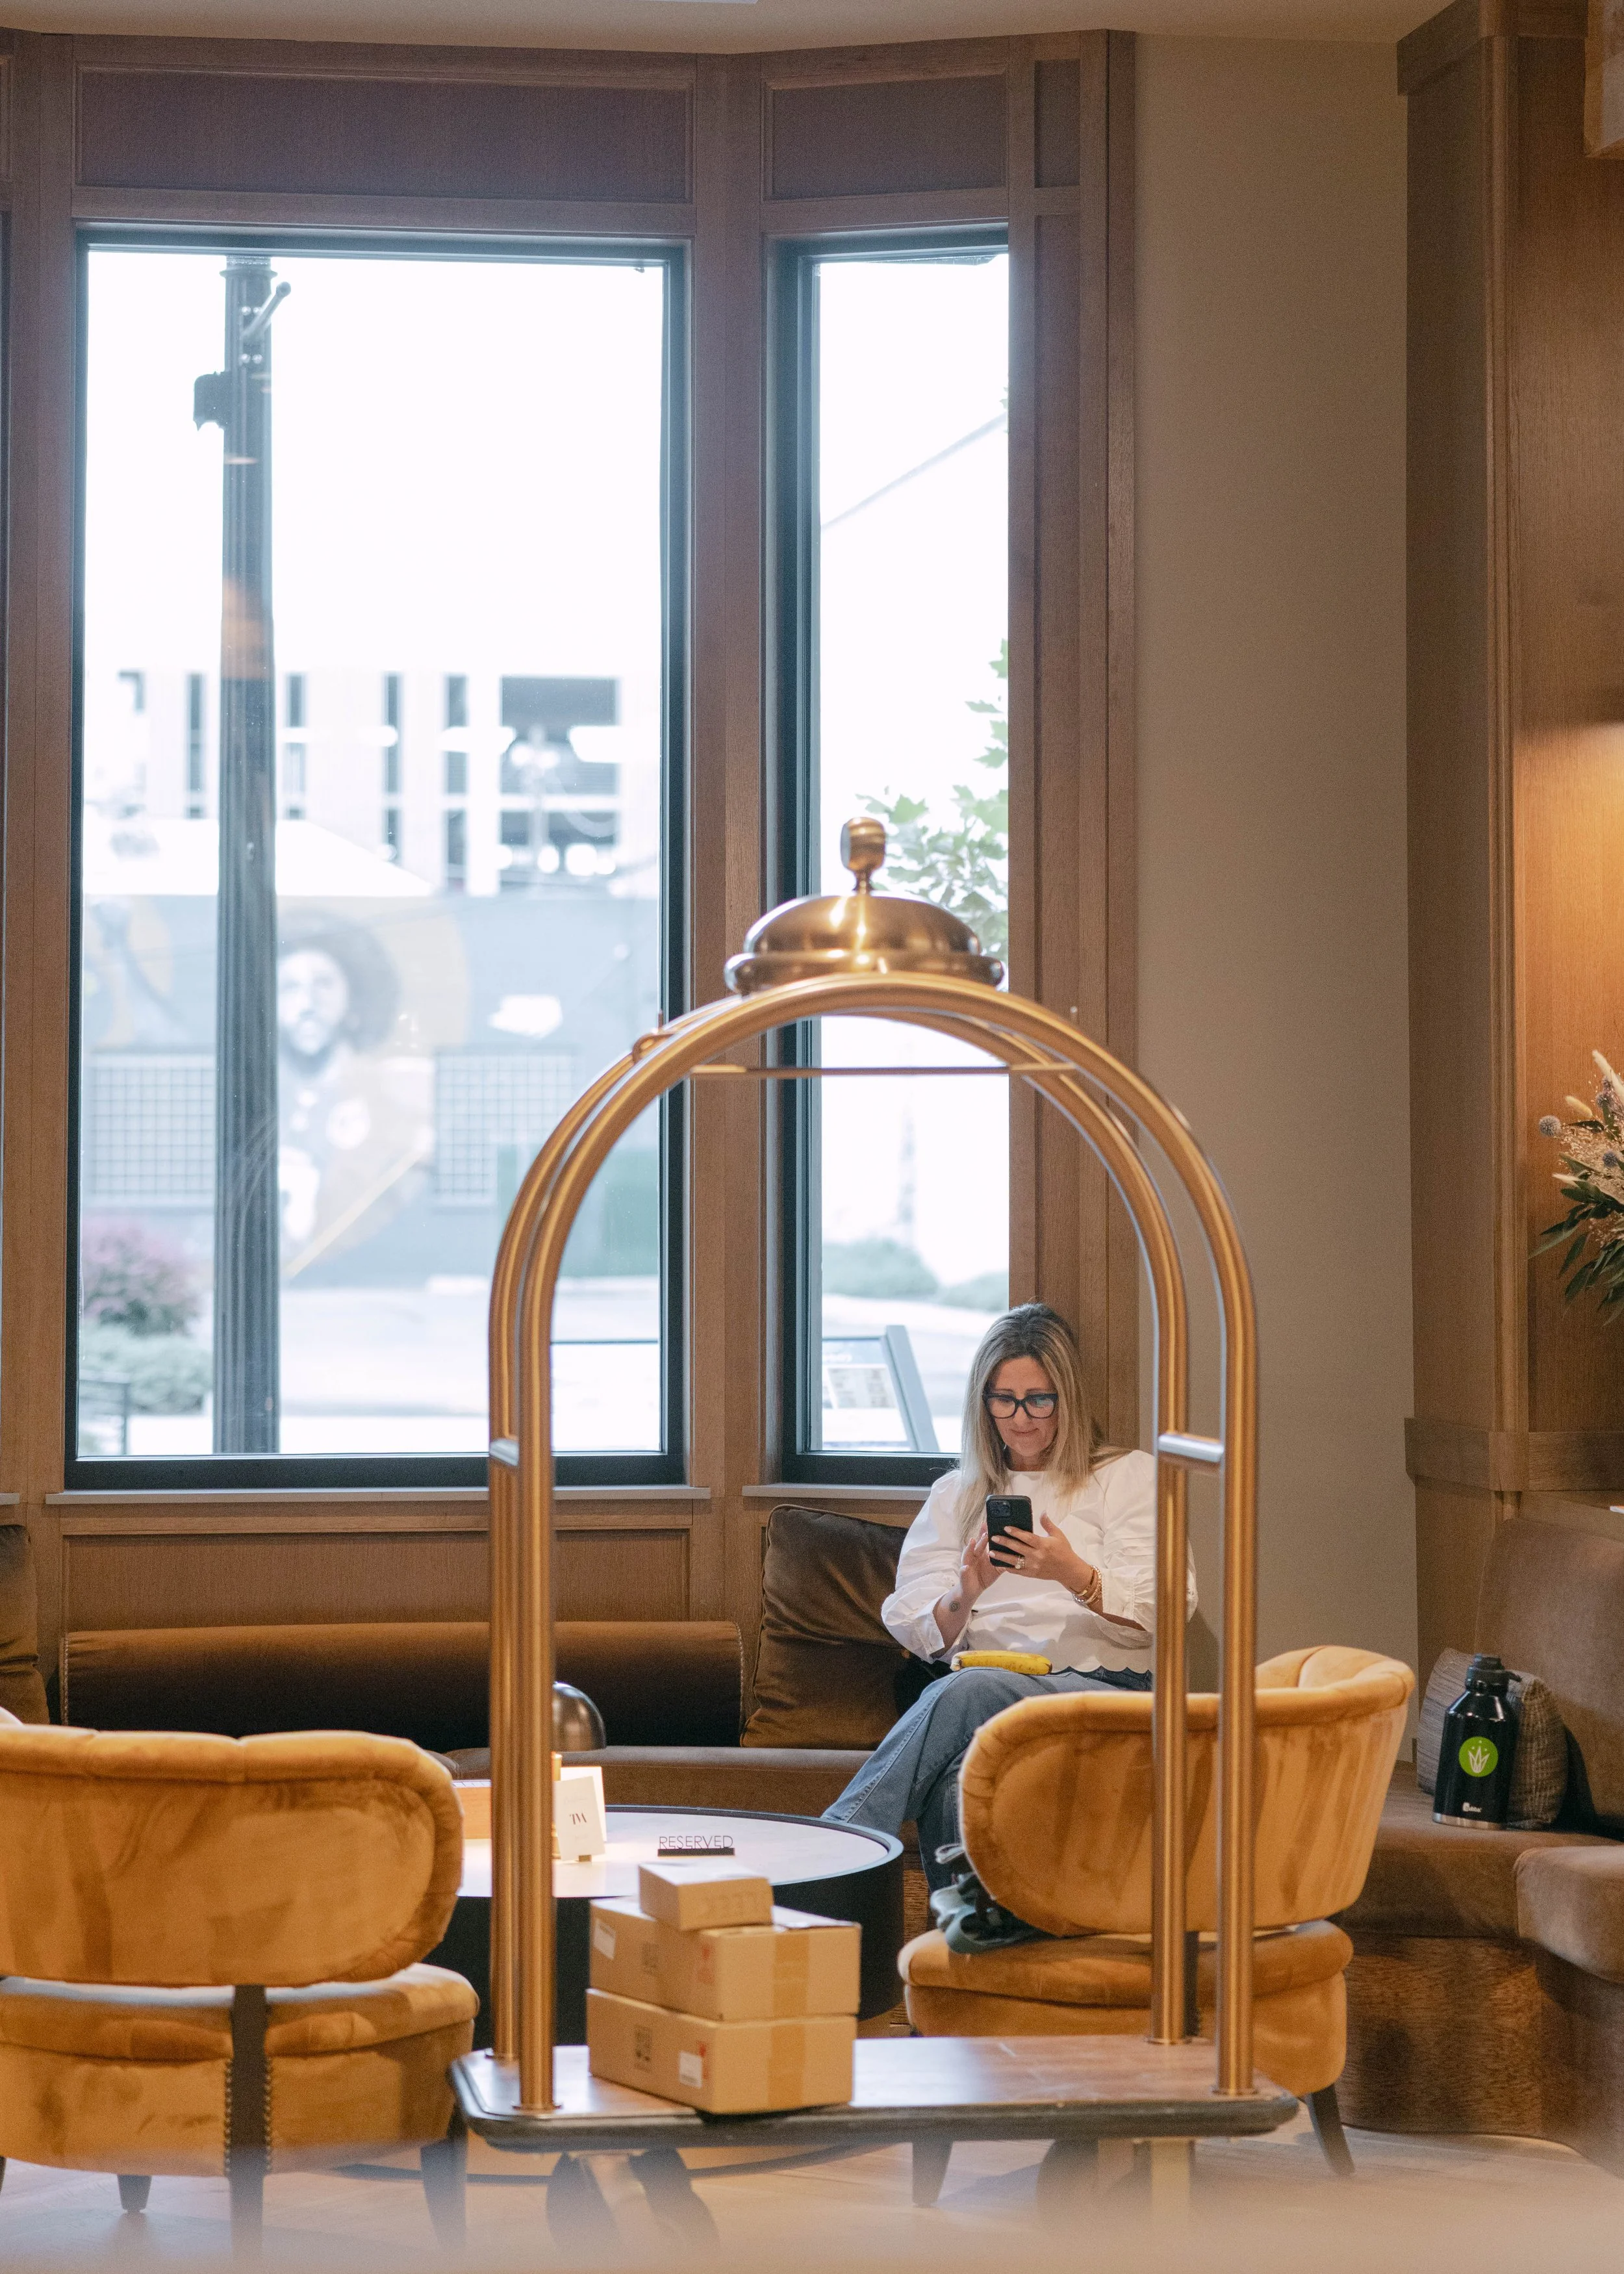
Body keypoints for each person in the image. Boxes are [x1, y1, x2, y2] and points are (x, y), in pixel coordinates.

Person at [823, 1301, 1196, 1888]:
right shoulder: (958, 1493)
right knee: (956, 1774)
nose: (1021, 1419)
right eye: (1004, 1399)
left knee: (966, 1687)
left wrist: (1076, 1575)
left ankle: (836, 1846)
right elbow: (917, 1624)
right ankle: (969, 1940)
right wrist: (966, 1592)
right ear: (984, 1402)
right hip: (988, 1686)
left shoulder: (1127, 1476)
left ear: (1067, 1399)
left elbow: (1166, 1611)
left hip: (1106, 1683)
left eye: (1039, 1400)